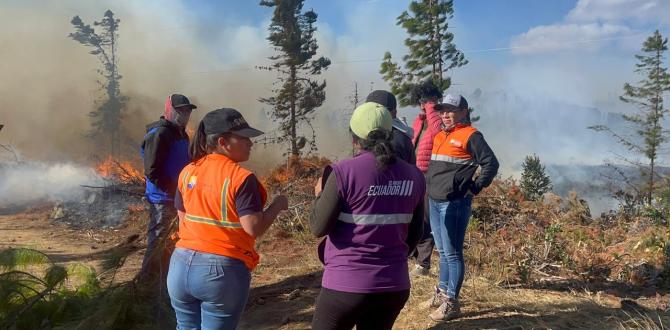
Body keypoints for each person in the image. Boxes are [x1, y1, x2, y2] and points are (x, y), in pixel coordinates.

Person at [167, 108, 289, 329]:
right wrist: (277, 206)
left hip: (180, 266)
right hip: (221, 271)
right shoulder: (241, 178)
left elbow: (182, 216)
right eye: (244, 138)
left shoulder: (188, 172)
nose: (251, 143)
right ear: (223, 142)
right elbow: (253, 227)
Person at [310, 102, 425, 330]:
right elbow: (415, 234)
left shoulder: (344, 172)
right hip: (395, 286)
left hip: (345, 286)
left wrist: (318, 195)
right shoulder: (414, 175)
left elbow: (317, 227)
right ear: (391, 134)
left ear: (354, 138)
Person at [426, 94, 499, 321]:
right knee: (442, 252)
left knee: (453, 253)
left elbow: (491, 163)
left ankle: (452, 303)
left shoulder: (472, 136)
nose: (445, 114)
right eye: (442, 110)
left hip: (454, 203)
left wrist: (475, 188)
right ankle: (442, 292)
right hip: (435, 201)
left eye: (451, 110)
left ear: (464, 112)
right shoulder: (440, 136)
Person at [140, 93, 196, 276]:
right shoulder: (160, 134)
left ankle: (165, 285)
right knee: (158, 243)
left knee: (174, 244)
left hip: (179, 199)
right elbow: (152, 170)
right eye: (180, 110)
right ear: (169, 110)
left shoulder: (181, 133)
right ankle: (146, 287)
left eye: (187, 111)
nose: (185, 114)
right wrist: (173, 190)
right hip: (162, 200)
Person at [409, 80, 444, 276]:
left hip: (430, 174)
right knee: (414, 216)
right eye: (420, 100)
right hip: (414, 172)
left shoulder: (437, 117)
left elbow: (438, 131)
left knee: (426, 219)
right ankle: (413, 256)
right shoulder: (419, 120)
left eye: (425, 99)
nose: (422, 104)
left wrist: (431, 105)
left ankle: (423, 263)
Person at [365, 90, 415, 164]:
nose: (374, 115)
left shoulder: (396, 139)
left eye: (380, 112)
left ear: (394, 113)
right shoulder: (401, 136)